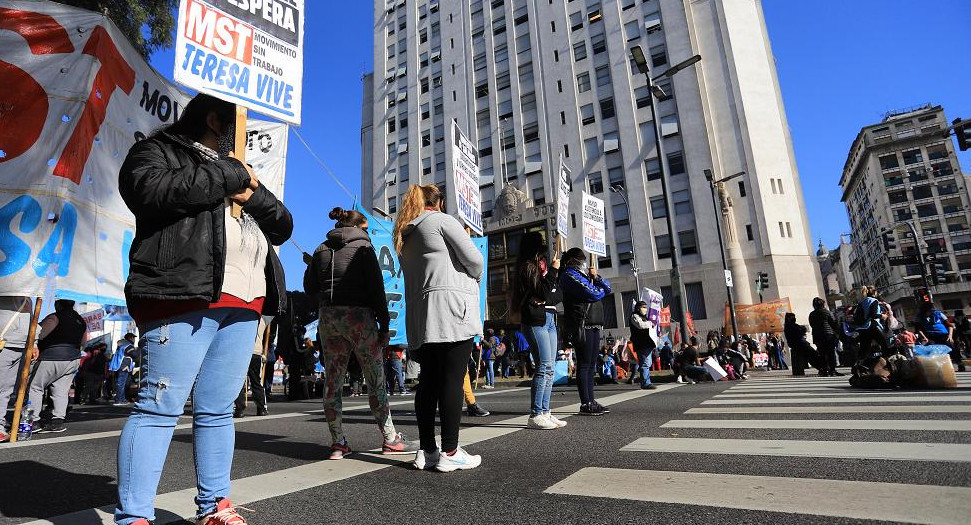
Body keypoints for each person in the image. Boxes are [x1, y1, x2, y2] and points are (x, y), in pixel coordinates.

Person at [114, 93, 292, 525]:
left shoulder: (239, 171)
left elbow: (283, 225)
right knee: (160, 405)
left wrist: (251, 192)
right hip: (183, 292)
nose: (242, 139)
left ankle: (214, 505)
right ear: (214, 119)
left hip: (245, 299)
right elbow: (148, 190)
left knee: (217, 409)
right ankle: (134, 516)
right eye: (237, 128)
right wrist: (229, 173)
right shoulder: (159, 151)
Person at [304, 207, 415, 459]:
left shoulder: (321, 249)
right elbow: (376, 290)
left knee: (332, 379)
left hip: (329, 318)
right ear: (359, 228)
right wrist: (385, 325)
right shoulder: (364, 250)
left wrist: (315, 268)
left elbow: (309, 287)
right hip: (360, 318)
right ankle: (389, 438)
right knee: (375, 377)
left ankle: (338, 442)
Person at [394, 184, 484, 472]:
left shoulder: (405, 235)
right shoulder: (443, 221)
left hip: (422, 315)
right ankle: (451, 450)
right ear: (440, 202)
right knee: (452, 379)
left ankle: (428, 449)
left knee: (429, 383)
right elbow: (475, 260)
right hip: (452, 311)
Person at [512, 232, 566, 430]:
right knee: (543, 366)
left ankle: (545, 411)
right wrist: (552, 271)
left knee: (550, 367)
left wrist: (547, 296)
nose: (544, 246)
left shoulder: (542, 264)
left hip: (550, 317)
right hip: (535, 320)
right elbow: (543, 291)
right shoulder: (527, 268)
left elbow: (557, 293)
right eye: (540, 243)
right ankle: (536, 414)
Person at [560, 247, 612, 416]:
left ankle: (591, 399)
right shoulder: (569, 275)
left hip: (594, 322)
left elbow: (607, 288)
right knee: (584, 364)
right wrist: (600, 288)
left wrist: (596, 277)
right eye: (580, 259)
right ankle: (585, 403)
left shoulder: (583, 276)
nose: (582, 262)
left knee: (591, 365)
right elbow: (594, 294)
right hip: (582, 324)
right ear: (572, 260)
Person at [27, 299, 85, 434]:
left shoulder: (55, 317)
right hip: (73, 358)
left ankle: (33, 421)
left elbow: (40, 334)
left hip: (51, 356)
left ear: (58, 305)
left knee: (35, 387)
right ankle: (57, 421)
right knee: (61, 390)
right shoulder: (81, 320)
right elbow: (83, 341)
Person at [0, 297, 32, 442]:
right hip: (4, 344)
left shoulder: (28, 298)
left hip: (21, 346)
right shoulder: (5, 289)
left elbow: (32, 321)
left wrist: (35, 343)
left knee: (6, 390)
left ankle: (0, 426)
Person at [233, 318, 270, 417]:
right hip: (256, 352)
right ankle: (261, 408)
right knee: (256, 382)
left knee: (239, 382)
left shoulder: (242, 317)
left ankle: (239, 409)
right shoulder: (262, 319)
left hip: (242, 351)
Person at [914, 301, 963, 371]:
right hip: (930, 337)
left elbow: (950, 326)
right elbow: (918, 329)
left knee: (951, 346)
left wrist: (950, 336)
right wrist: (924, 338)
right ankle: (936, 368)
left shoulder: (939, 314)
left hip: (944, 335)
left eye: (928, 311)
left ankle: (959, 364)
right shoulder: (919, 317)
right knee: (931, 350)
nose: (927, 313)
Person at [808, 298, 843, 377]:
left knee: (822, 353)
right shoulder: (827, 312)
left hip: (817, 336)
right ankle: (832, 370)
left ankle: (824, 370)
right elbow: (834, 324)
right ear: (823, 304)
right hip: (828, 335)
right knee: (831, 353)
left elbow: (812, 325)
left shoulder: (812, 314)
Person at [629, 301, 658, 390]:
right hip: (641, 344)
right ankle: (645, 383)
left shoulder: (644, 317)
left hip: (647, 343)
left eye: (646, 307)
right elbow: (641, 325)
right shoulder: (634, 316)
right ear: (638, 308)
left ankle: (646, 381)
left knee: (647, 363)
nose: (645, 309)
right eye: (643, 307)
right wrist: (650, 323)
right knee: (645, 363)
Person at [109, 333, 136, 403]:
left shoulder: (121, 345)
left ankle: (122, 399)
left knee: (122, 384)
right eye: (133, 337)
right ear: (130, 338)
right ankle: (119, 400)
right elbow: (134, 355)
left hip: (119, 366)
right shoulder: (128, 346)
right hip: (124, 366)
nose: (134, 339)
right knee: (121, 384)